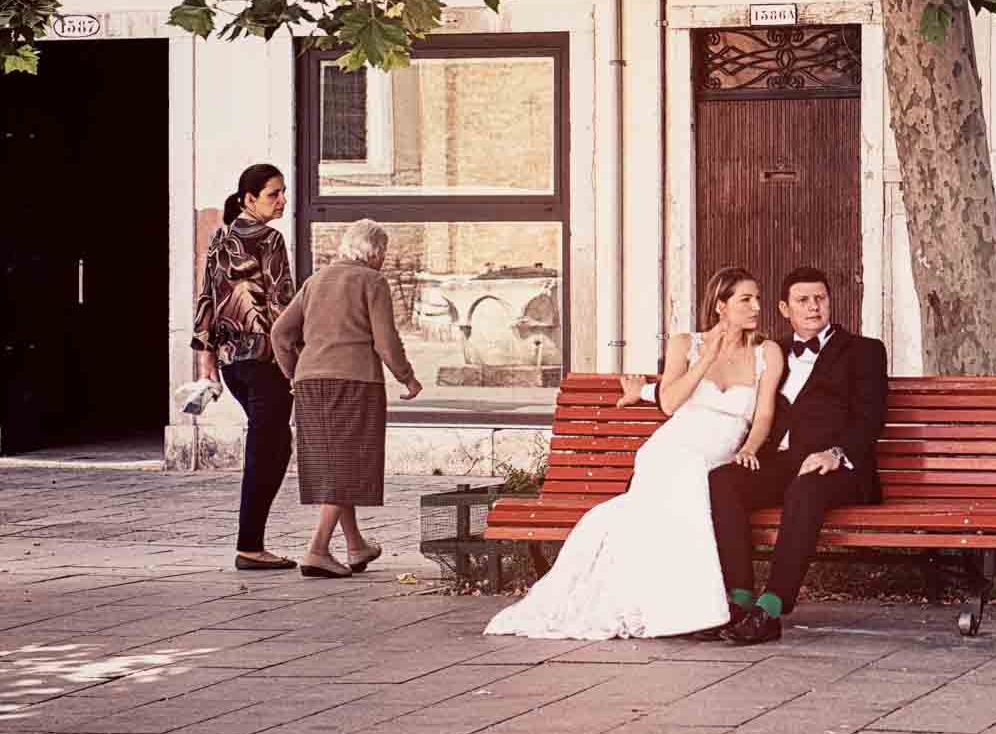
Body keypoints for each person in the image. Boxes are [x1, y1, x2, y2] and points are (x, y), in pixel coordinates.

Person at [485, 267, 783, 640]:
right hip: (674, 443)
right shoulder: (685, 344)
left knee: (688, 479)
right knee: (679, 474)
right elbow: (670, 403)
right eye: (746, 299)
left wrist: (750, 447)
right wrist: (707, 358)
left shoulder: (767, 352)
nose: (757, 307)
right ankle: (685, 607)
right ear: (721, 305)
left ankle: (691, 606)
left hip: (720, 448)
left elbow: (764, 413)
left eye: (758, 299)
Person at [706, 266, 888, 646]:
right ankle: (740, 599)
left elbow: (870, 419)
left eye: (820, 298)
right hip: (783, 464)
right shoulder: (771, 352)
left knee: (806, 487)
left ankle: (771, 608)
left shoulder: (865, 351)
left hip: (839, 470)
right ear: (784, 309)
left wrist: (835, 454)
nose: (813, 307)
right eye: (803, 300)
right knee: (723, 481)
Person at [271, 219, 423, 579]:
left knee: (336, 463)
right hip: (355, 383)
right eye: (384, 252)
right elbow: (385, 342)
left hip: (310, 382)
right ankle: (317, 550)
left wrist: (293, 374)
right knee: (347, 464)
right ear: (375, 251)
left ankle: (356, 546)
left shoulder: (315, 281)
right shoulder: (372, 281)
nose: (384, 259)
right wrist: (407, 377)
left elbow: (279, 333)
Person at [191, 163, 298, 571]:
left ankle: (252, 543)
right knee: (268, 448)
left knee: (273, 444)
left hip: (234, 364)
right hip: (265, 360)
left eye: (283, 191)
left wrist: (207, 360)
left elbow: (206, 299)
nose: (282, 200)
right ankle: (250, 547)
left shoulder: (221, 237)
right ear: (249, 199)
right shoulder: (270, 239)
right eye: (273, 193)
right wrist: (296, 361)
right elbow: (283, 305)